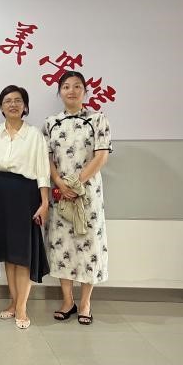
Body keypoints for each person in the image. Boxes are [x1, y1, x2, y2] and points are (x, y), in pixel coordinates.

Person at [43, 71, 112, 326]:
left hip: (88, 194)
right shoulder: (51, 123)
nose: (71, 91)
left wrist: (76, 182)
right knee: (61, 246)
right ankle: (67, 300)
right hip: (60, 193)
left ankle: (85, 303)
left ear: (85, 91)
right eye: (66, 86)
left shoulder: (98, 119)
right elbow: (47, 158)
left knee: (89, 245)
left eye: (77, 86)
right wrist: (60, 183)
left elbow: (101, 155)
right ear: (59, 92)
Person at [0, 85, 50, 329]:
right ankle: (13, 301)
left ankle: (22, 306)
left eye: (18, 100)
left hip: (25, 195)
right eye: (7, 100)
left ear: (25, 106)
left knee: (23, 254)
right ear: (1, 106)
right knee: (8, 254)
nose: (13, 104)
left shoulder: (34, 135)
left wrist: (44, 202)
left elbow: (42, 170)